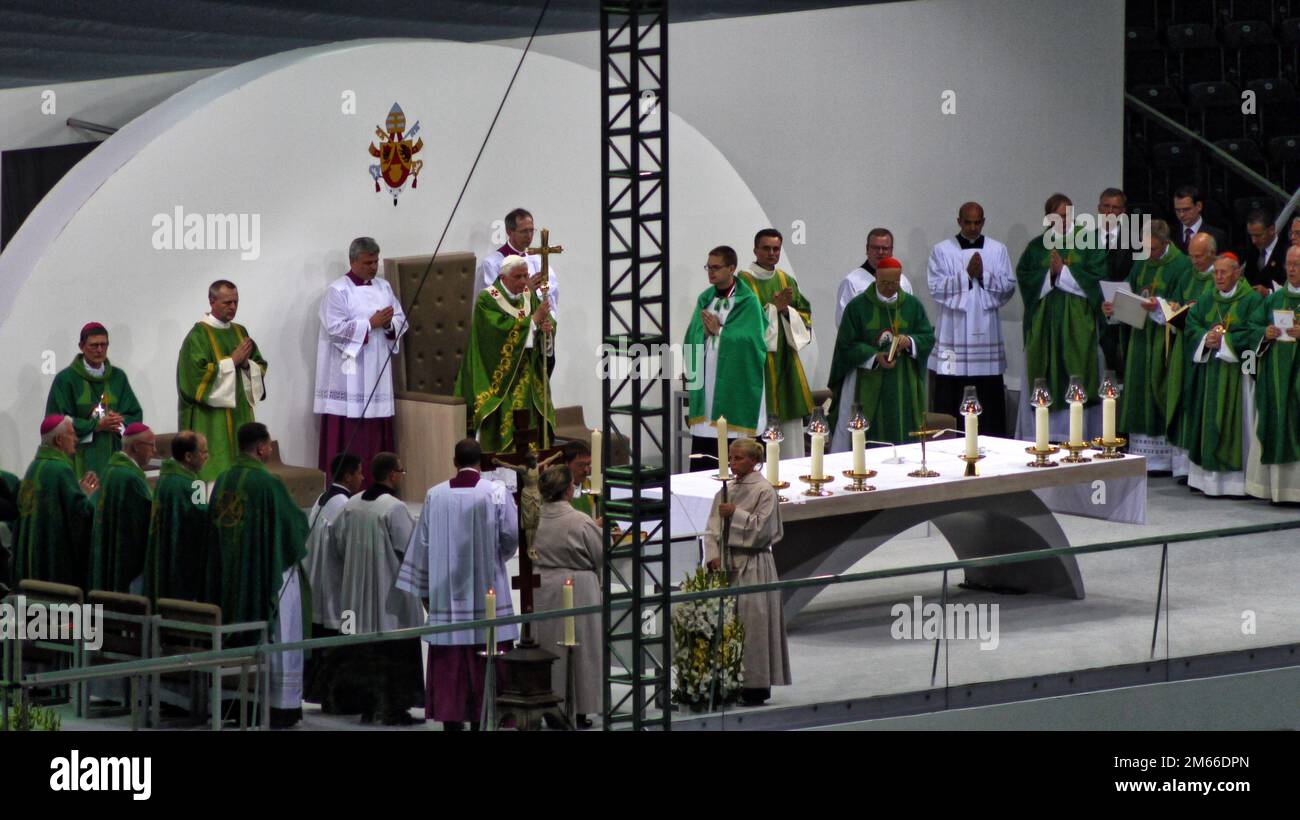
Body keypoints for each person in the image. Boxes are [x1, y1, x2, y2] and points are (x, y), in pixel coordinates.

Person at [396, 438, 519, 731]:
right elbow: (512, 535)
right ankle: (484, 718)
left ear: (454, 461)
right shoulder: (497, 492)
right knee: (485, 649)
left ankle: (452, 719)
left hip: (446, 593)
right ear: (482, 462)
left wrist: (425, 590)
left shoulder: (434, 495)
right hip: (488, 588)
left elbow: (422, 544)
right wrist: (496, 557)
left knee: (451, 656)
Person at [207, 422, 309, 728]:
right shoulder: (268, 483)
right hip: (265, 574)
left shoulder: (223, 478)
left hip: (229, 577)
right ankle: (279, 707)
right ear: (263, 447)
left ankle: (234, 702)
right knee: (281, 630)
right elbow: (295, 528)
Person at [332, 452, 426, 725]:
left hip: (355, 594)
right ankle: (394, 708)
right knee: (393, 651)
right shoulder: (393, 508)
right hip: (389, 595)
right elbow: (410, 550)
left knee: (363, 649)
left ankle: (368, 706)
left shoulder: (351, 504)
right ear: (393, 474)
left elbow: (338, 544)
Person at [314, 237, 408, 484]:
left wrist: (389, 324)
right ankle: (345, 486)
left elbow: (400, 320)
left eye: (376, 261)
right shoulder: (337, 290)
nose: (373, 267)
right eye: (368, 262)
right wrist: (370, 324)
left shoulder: (383, 287)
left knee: (376, 432)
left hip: (377, 369)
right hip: (349, 374)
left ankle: (379, 484)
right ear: (353, 261)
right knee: (350, 434)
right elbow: (333, 329)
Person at [704, 438, 790, 706]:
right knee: (727, 625)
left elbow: (763, 530)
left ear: (754, 461)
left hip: (753, 564)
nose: (732, 462)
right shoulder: (726, 490)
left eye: (739, 458)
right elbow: (712, 527)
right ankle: (726, 682)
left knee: (753, 626)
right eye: (731, 457)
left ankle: (754, 685)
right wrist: (713, 555)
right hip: (727, 565)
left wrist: (736, 514)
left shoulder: (764, 490)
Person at [1014, 193, 1107, 442]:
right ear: (1048, 217)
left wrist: (1064, 272)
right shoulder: (1037, 246)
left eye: (1067, 215)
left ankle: (1080, 435)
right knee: (1043, 371)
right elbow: (1024, 276)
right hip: (1044, 324)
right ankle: (1046, 436)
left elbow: (1099, 278)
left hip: (1078, 323)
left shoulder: (1089, 242)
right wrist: (1050, 276)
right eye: (1058, 216)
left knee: (1077, 371)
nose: (1064, 221)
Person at [1103, 221, 1192, 473]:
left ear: (1166, 243)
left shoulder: (1181, 265)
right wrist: (1114, 308)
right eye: (1145, 248)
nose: (1149, 253)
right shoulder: (1141, 262)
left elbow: (1182, 306)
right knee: (1138, 390)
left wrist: (1159, 305)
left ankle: (1162, 460)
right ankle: (1141, 454)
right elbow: (1129, 293)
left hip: (1164, 341)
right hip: (1140, 339)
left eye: (1153, 248)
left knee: (1158, 389)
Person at [926, 202, 1015, 436]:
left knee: (988, 399)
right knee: (949, 394)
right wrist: (966, 275)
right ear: (959, 221)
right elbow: (935, 287)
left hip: (986, 332)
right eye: (968, 222)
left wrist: (983, 275)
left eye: (977, 222)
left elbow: (1008, 288)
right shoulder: (942, 250)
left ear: (983, 222)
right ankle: (948, 443)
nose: (973, 227)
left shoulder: (998, 250)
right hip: (952, 335)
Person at [1182, 253, 1266, 496]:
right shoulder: (1208, 298)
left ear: (1237, 273)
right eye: (1215, 272)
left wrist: (1226, 341)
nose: (1218, 277)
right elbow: (1192, 324)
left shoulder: (1250, 299)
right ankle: (1206, 480)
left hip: (1238, 374)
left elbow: (1254, 332)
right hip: (1211, 374)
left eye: (1224, 272)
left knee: (1237, 423)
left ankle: (1237, 484)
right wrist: (1204, 338)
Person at [829, 257, 934, 446]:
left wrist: (909, 341)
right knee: (867, 436)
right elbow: (846, 346)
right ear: (875, 277)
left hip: (904, 381)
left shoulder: (912, 305)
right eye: (884, 282)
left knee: (903, 433)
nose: (889, 287)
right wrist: (874, 356)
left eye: (894, 283)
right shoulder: (857, 307)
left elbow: (927, 336)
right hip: (866, 380)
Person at [456, 255, 556, 452]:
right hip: (498, 378)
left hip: (529, 374)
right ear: (503, 278)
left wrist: (547, 330)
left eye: (525, 276)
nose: (523, 282)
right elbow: (495, 337)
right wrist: (534, 321)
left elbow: (543, 327)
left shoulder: (529, 295)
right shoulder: (487, 299)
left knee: (533, 428)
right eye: (518, 277)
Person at [683, 245, 768, 471]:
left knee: (733, 438)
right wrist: (703, 331)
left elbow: (754, 342)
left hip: (736, 385)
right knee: (706, 445)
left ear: (731, 268)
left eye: (716, 267)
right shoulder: (705, 299)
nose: (711, 272)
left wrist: (720, 331)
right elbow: (691, 336)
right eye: (708, 267)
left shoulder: (747, 301)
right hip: (707, 384)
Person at [532, 465, 603, 728]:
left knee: (550, 648)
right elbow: (600, 553)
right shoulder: (579, 520)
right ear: (568, 490)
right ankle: (580, 708)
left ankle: (550, 706)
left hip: (543, 586)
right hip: (578, 587)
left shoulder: (534, 517)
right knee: (580, 649)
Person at [177, 280, 268, 482]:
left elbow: (259, 365)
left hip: (240, 413)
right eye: (227, 302)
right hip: (211, 418)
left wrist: (246, 365)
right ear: (212, 301)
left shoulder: (240, 332)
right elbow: (193, 379)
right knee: (215, 476)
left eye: (236, 302)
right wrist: (231, 362)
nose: (233, 307)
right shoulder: (197, 336)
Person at [739, 229, 814, 456]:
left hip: (786, 362)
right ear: (755, 250)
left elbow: (806, 317)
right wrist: (773, 309)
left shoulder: (785, 280)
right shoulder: (743, 281)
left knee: (789, 434)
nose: (772, 253)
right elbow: (741, 323)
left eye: (776, 249)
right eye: (766, 248)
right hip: (757, 365)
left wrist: (786, 312)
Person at [301, 451, 363, 712]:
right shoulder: (344, 505)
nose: (362, 478)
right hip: (336, 586)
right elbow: (347, 546)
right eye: (359, 472)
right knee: (340, 640)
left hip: (317, 581)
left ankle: (324, 695)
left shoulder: (322, 498)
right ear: (348, 475)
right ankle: (339, 699)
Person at [45, 322, 142, 481]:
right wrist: (95, 426)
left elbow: (135, 413)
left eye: (103, 345)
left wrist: (118, 422)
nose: (99, 350)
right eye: (94, 345)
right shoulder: (66, 379)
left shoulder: (118, 377)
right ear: (81, 346)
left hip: (114, 454)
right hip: (79, 457)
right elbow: (55, 423)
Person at [14, 415, 99, 587]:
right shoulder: (60, 470)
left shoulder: (34, 467)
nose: (76, 439)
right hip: (53, 562)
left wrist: (79, 492)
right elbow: (79, 517)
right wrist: (87, 496)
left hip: (29, 562)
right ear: (59, 440)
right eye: (72, 434)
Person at [1246, 245, 1300, 502]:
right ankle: (1276, 490)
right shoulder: (1274, 299)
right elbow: (1252, 325)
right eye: (1289, 264)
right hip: (1275, 377)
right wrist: (1265, 333)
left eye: (1297, 265)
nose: (1291, 269)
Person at [1168, 232, 1221, 478]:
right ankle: (1183, 466)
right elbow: (1175, 304)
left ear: (1212, 254)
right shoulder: (1186, 275)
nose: (1194, 261)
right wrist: (1175, 309)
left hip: (1210, 352)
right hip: (1185, 347)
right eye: (1191, 256)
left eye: (1199, 256)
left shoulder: (1221, 277)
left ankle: (1200, 468)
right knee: (1184, 400)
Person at [143, 431, 212, 602]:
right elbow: (204, 520)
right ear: (188, 456)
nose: (207, 456)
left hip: (164, 552)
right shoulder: (192, 484)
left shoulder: (165, 479)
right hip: (182, 559)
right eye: (203, 452)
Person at [89, 422, 155, 593]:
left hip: (112, 547)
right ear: (137, 447)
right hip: (126, 556)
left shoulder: (112, 469)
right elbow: (148, 516)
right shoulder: (131, 478)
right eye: (151, 446)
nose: (154, 451)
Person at [474, 207, 561, 316]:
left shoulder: (537, 261)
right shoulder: (492, 264)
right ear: (509, 232)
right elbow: (488, 303)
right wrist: (525, 291)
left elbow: (552, 295)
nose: (529, 236)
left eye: (531, 230)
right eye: (524, 231)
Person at [835, 228, 914, 328]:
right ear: (867, 249)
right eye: (875, 248)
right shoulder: (852, 282)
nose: (880, 252)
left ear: (891, 251)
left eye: (885, 248)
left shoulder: (903, 282)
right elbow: (844, 323)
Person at [1097, 188, 1134, 377]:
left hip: (1123, 316)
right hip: (1095, 315)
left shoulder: (1135, 241)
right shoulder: (1086, 240)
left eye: (1115, 208)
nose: (1110, 212)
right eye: (1106, 207)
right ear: (1099, 208)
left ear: (1123, 212)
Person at [1170, 185, 1228, 254]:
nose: (1181, 215)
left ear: (1199, 206)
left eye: (1186, 209)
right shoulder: (1169, 234)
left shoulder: (1217, 236)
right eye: (1178, 210)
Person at [1242, 209, 1284, 295]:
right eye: (1251, 235)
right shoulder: (1251, 250)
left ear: (1272, 229)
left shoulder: (1286, 252)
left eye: (1258, 235)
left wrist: (1269, 292)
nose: (1253, 241)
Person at [562, 439, 600, 520]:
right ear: (566, 464)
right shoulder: (556, 492)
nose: (586, 470)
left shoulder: (592, 486)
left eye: (588, 464)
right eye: (581, 465)